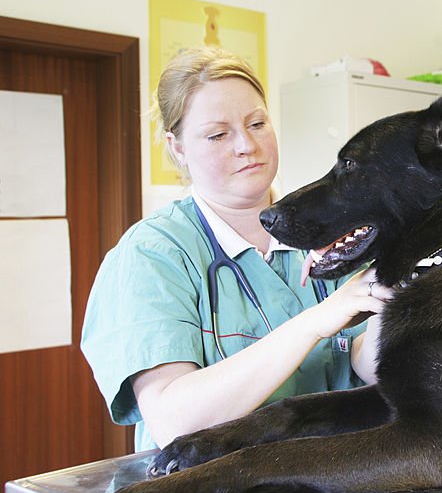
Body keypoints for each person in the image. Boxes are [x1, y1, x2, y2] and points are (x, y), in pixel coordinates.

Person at [81, 47, 391, 452]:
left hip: (343, 477)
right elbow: (174, 420)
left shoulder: (326, 228)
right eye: (218, 134)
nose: (247, 144)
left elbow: (367, 363)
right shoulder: (152, 255)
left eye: (257, 123)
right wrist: (315, 321)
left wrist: (403, 292)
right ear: (178, 148)